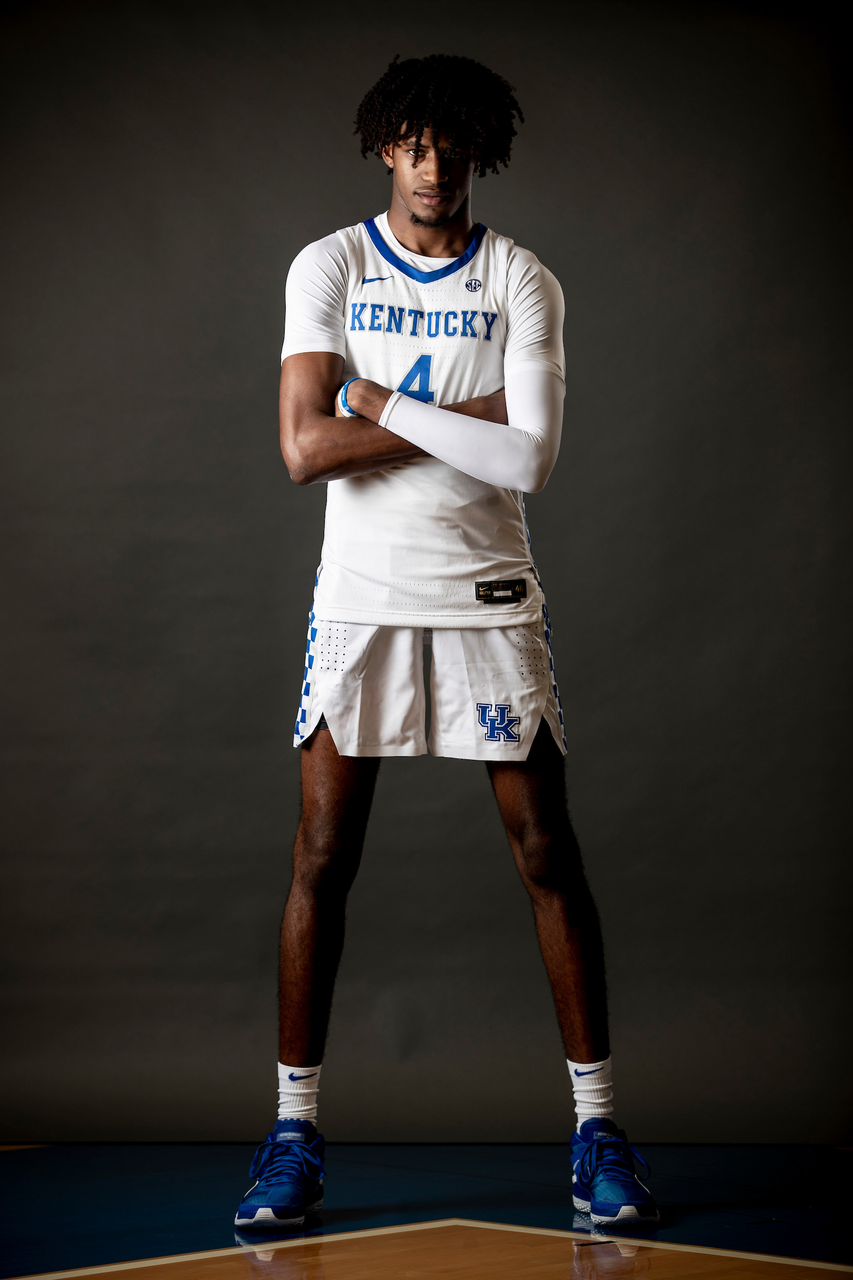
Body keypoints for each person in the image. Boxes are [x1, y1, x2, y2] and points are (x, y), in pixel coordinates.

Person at [235, 53, 658, 1233]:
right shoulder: (330, 264)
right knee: (322, 857)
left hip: (485, 592)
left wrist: (378, 400)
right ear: (386, 147)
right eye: (412, 144)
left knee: (545, 854)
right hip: (362, 594)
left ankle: (596, 1131)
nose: (432, 167)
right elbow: (300, 450)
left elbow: (528, 461)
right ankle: (291, 1133)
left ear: (480, 154)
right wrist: (464, 419)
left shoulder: (523, 279)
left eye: (452, 146)